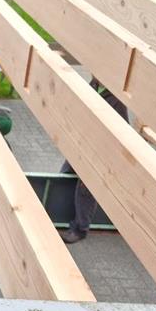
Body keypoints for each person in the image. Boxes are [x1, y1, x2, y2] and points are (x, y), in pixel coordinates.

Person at [60, 77, 129, 244]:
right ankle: (58, 213)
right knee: (64, 175)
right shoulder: (94, 85)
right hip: (84, 142)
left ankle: (80, 229)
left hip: (101, 149)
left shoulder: (116, 100)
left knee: (86, 187)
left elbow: (123, 130)